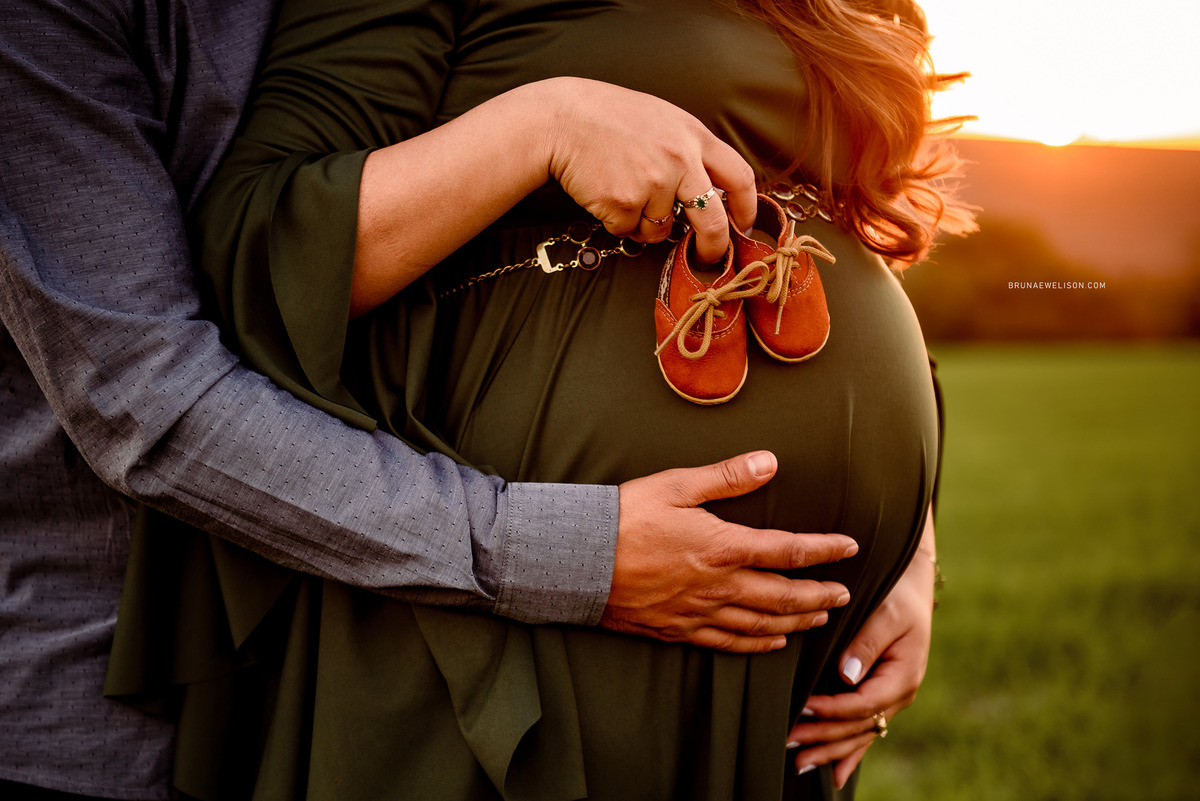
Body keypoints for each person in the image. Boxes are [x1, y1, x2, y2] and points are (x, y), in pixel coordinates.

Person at [0, 1, 903, 798]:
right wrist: (573, 554)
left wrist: (909, 538)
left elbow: (848, 217)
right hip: (123, 673)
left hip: (692, 609)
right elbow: (149, 401)